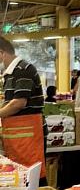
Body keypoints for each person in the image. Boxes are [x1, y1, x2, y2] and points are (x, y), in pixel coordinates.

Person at [0, 36, 46, 172]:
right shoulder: (10, 73)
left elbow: (18, 103)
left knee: (33, 177)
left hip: (29, 135)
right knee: (19, 176)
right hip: (18, 135)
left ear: (2, 53)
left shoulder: (23, 69)